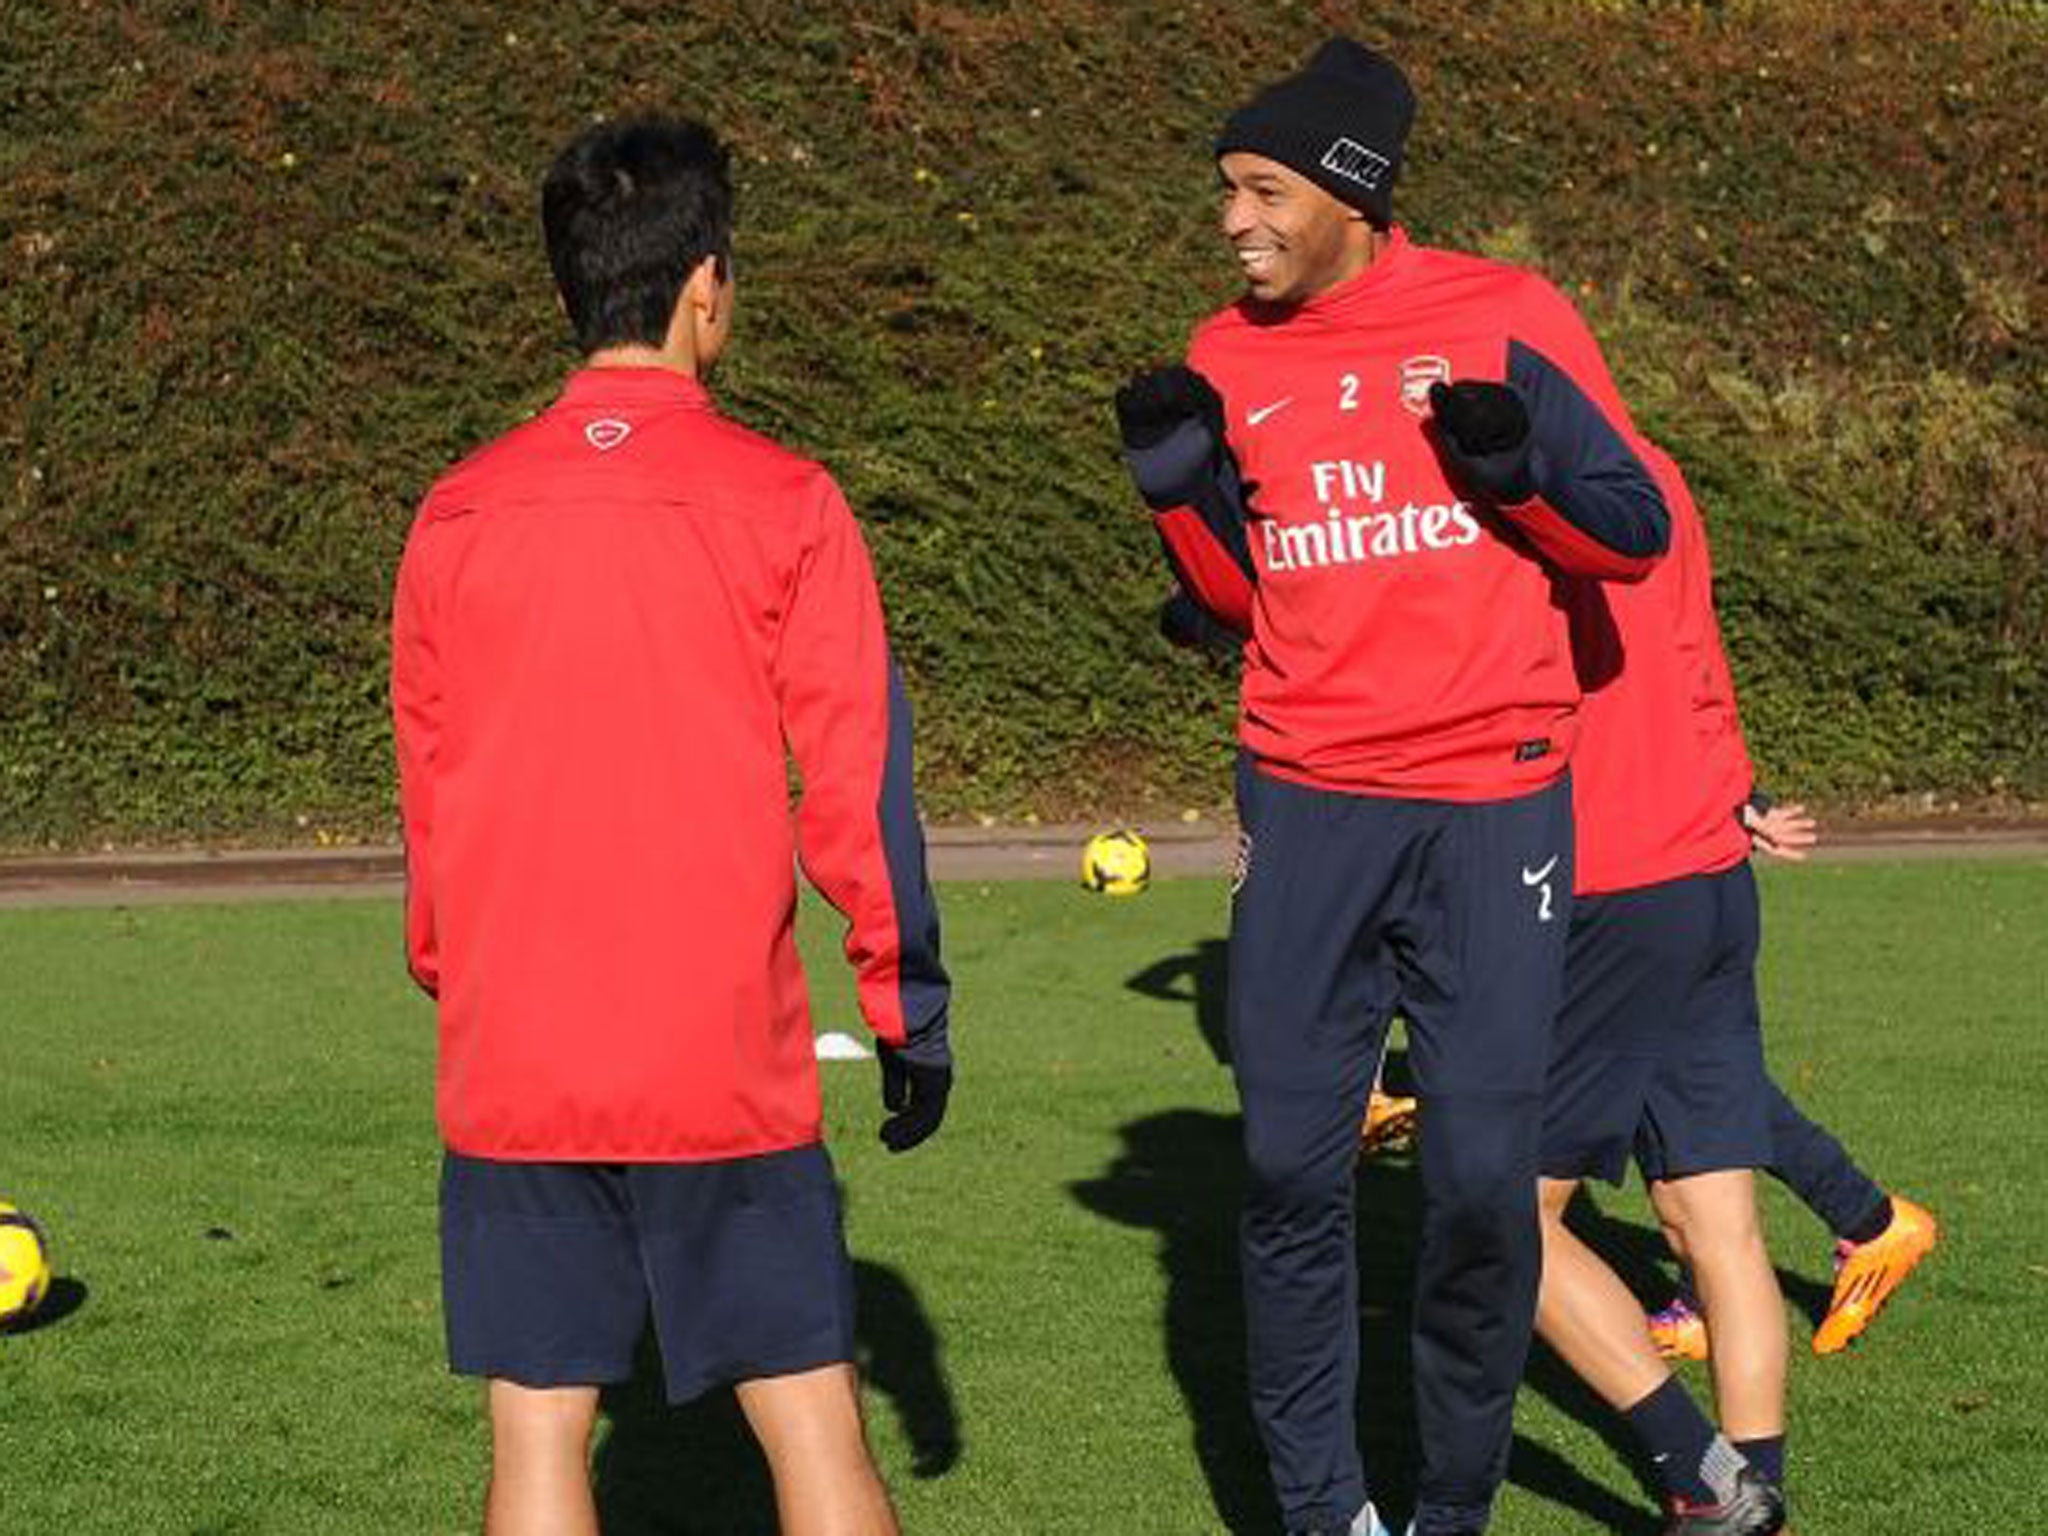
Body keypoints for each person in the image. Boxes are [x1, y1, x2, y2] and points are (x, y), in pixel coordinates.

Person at [1115, 38, 1671, 1536]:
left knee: (1486, 1196)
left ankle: (1450, 1511)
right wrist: (1183, 502)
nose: (1233, 220)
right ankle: (1319, 1513)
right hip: (1304, 806)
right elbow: (1246, 599)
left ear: (1351, 194)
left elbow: (1631, 535)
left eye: (1263, 190)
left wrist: (1515, 474)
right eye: (1225, 189)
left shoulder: (1506, 317)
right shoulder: (1224, 354)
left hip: (1496, 811)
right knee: (1293, 1178)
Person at [390, 116, 951, 1536]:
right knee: (813, 1417)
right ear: (706, 285)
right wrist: (906, 1003)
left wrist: (460, 971)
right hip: (715, 1052)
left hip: (517, 1048)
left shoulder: (455, 512)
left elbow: (430, 783)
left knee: (534, 1441)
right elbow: (856, 783)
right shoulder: (788, 503)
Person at [1531, 450, 1797, 1536]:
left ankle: (1702, 1475)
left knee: (1498, 1216)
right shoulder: (1654, 470)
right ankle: (1758, 1500)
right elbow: (1693, 654)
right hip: (1704, 868)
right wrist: (1741, 793)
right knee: (1710, 1218)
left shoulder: (1511, 484)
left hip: (1606, 878)